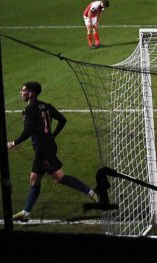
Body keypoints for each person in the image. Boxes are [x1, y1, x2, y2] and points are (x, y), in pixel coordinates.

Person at [7, 81, 98, 221]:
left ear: (30, 93)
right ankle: (26, 213)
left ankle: (91, 192)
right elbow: (62, 120)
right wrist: (53, 135)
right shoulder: (46, 106)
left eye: (23, 90)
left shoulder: (28, 110)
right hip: (48, 146)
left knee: (59, 177)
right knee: (34, 179)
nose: (21, 92)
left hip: (43, 150)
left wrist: (14, 143)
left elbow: (28, 131)